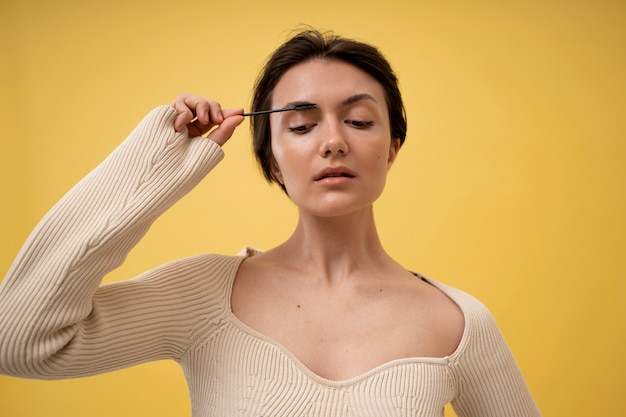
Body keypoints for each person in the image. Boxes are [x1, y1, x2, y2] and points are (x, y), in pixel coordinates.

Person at [0, 29, 541, 416]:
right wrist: (150, 165)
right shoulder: (203, 294)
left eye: (359, 120)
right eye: (302, 125)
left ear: (392, 147)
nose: (334, 141)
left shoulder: (459, 322)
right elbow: (19, 342)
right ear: (273, 159)